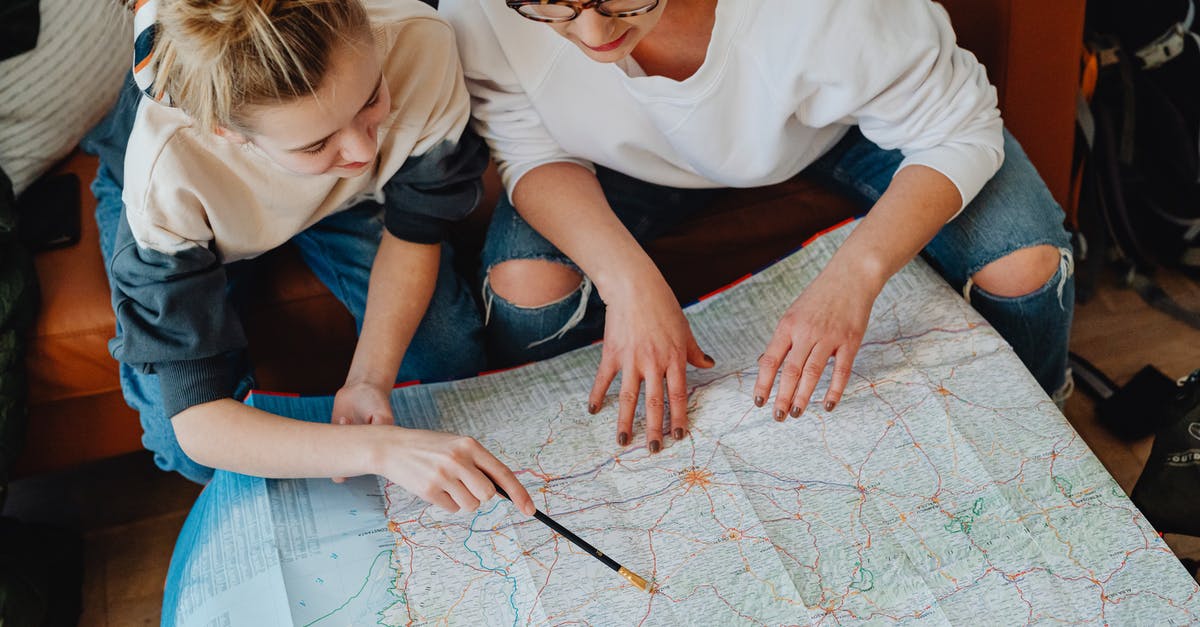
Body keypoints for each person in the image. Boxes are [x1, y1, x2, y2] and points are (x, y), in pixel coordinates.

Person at [439, 0, 1075, 451]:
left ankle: (1042, 426)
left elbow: (957, 131)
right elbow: (533, 153)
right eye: (552, 5)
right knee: (526, 290)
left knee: (1023, 266)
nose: (593, 31)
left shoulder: (830, 11)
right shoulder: (484, 11)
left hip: (842, 132)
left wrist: (855, 275)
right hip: (616, 163)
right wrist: (628, 284)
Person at [89, 0, 534, 516]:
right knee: (176, 442)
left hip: (350, 202)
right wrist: (377, 450)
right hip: (204, 224)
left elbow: (416, 231)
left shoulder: (416, 35)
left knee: (447, 358)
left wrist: (369, 380)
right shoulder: (166, 171)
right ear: (226, 133)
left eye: (371, 100)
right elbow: (199, 422)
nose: (363, 153)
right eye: (316, 143)